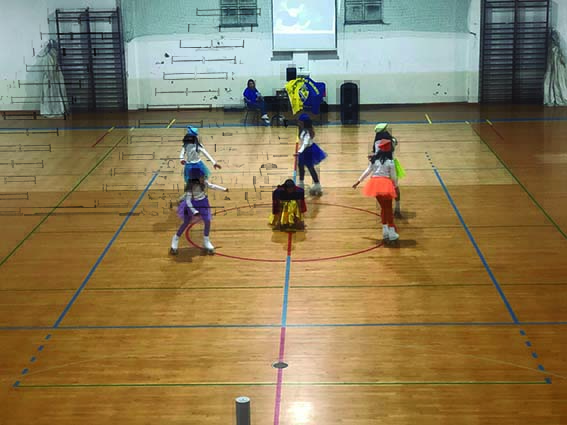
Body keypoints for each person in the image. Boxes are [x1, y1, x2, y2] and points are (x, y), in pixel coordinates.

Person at [170, 168, 228, 255]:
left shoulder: (203, 182)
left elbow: (211, 186)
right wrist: (194, 211)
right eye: (202, 177)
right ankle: (176, 238)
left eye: (204, 177)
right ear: (196, 178)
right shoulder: (190, 187)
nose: (204, 178)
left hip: (203, 203)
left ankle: (206, 240)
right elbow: (188, 201)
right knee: (186, 222)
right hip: (192, 205)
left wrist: (224, 189)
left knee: (207, 220)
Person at [353, 139, 399, 241]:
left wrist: (358, 181)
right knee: (388, 209)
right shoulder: (390, 162)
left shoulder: (374, 161)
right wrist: (395, 187)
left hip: (375, 185)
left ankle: (385, 231)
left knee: (383, 208)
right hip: (386, 185)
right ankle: (391, 232)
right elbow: (394, 177)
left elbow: (367, 171)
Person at [370, 123, 404, 217]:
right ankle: (397, 209)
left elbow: (377, 154)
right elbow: (395, 143)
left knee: (379, 189)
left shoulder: (376, 143)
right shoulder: (392, 140)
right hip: (391, 165)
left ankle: (384, 208)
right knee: (395, 187)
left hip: (380, 167)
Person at [296, 113, 326, 196]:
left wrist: (299, 151)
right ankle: (301, 183)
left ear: (304, 122)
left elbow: (305, 143)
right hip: (304, 151)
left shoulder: (308, 132)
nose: (298, 122)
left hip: (308, 151)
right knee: (300, 166)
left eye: (300, 121)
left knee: (310, 167)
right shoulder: (302, 130)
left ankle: (317, 185)